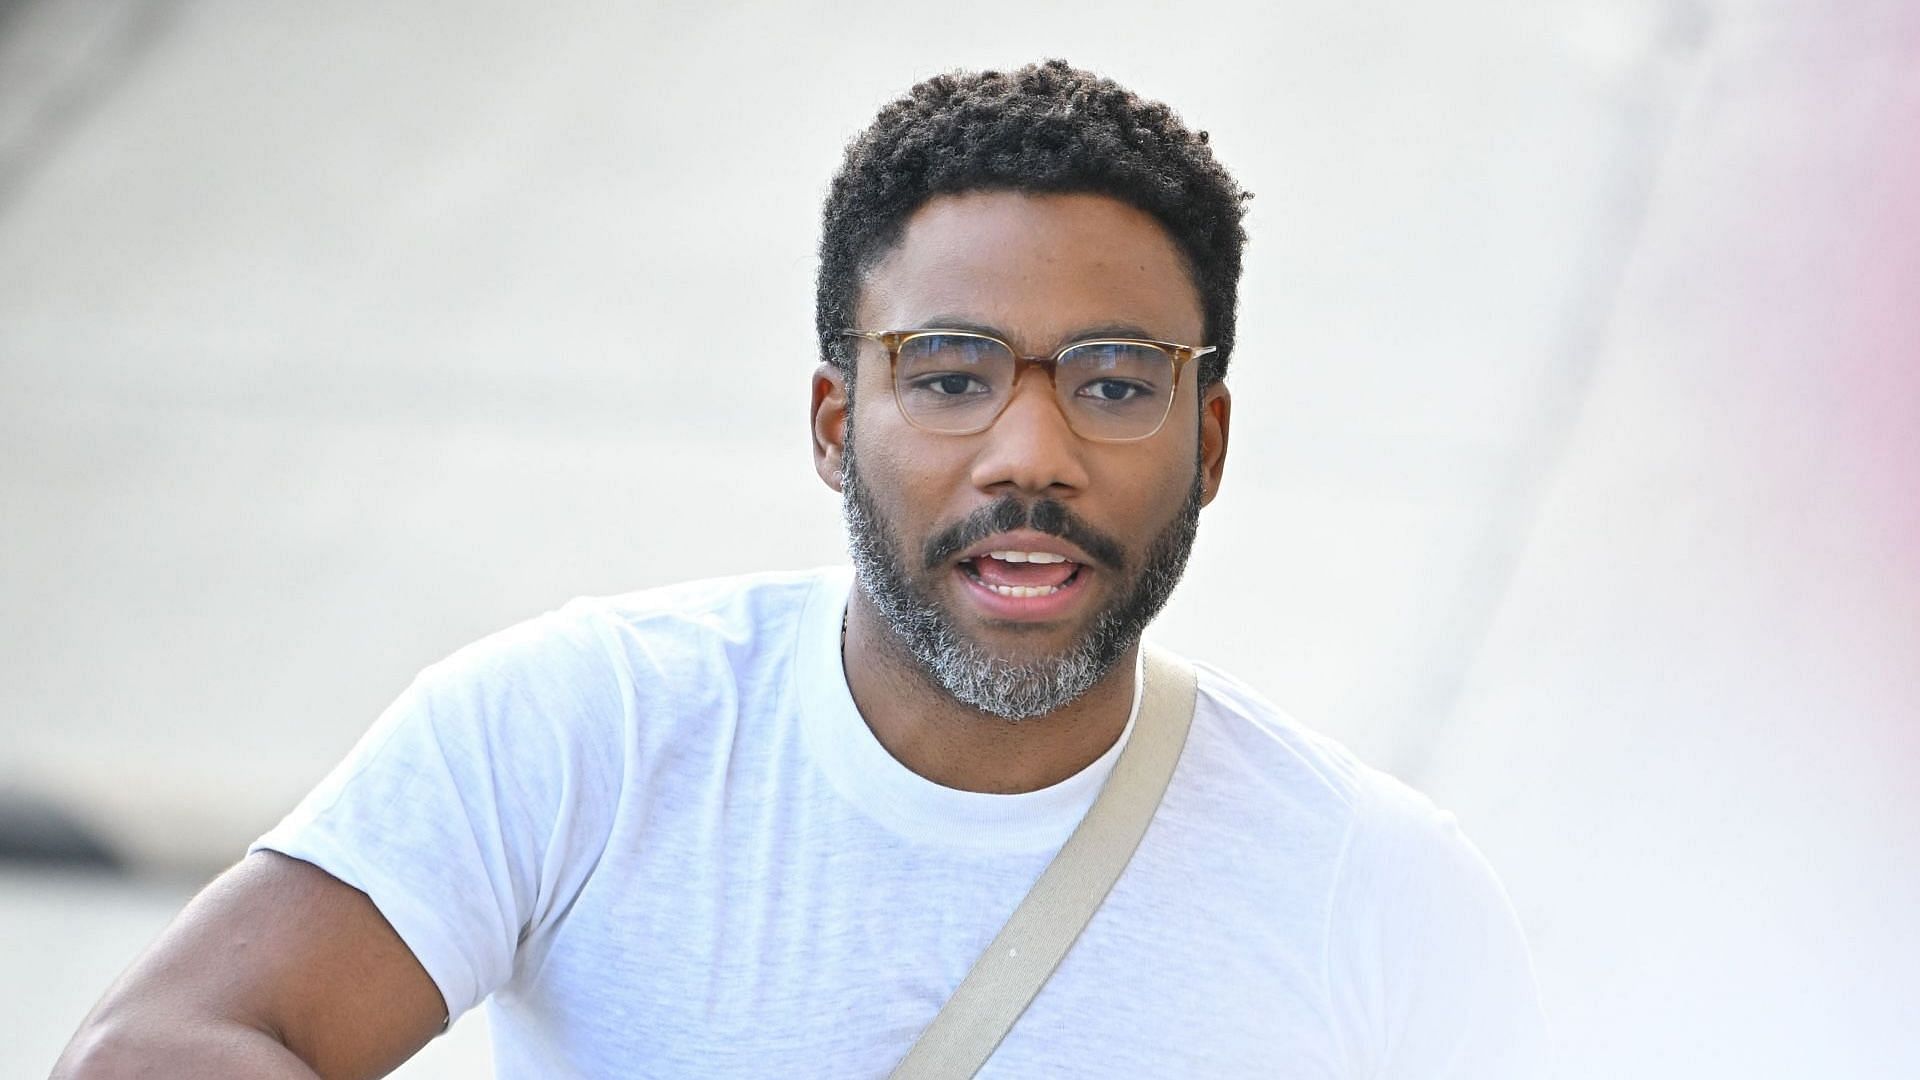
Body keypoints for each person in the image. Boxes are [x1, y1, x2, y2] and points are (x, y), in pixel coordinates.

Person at [55, 60, 1543, 1078]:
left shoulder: (1377, 895)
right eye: (951, 376)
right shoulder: (587, 733)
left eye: (1112, 381)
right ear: (838, 425)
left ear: (1207, 442)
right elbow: (154, 1053)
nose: (1031, 452)